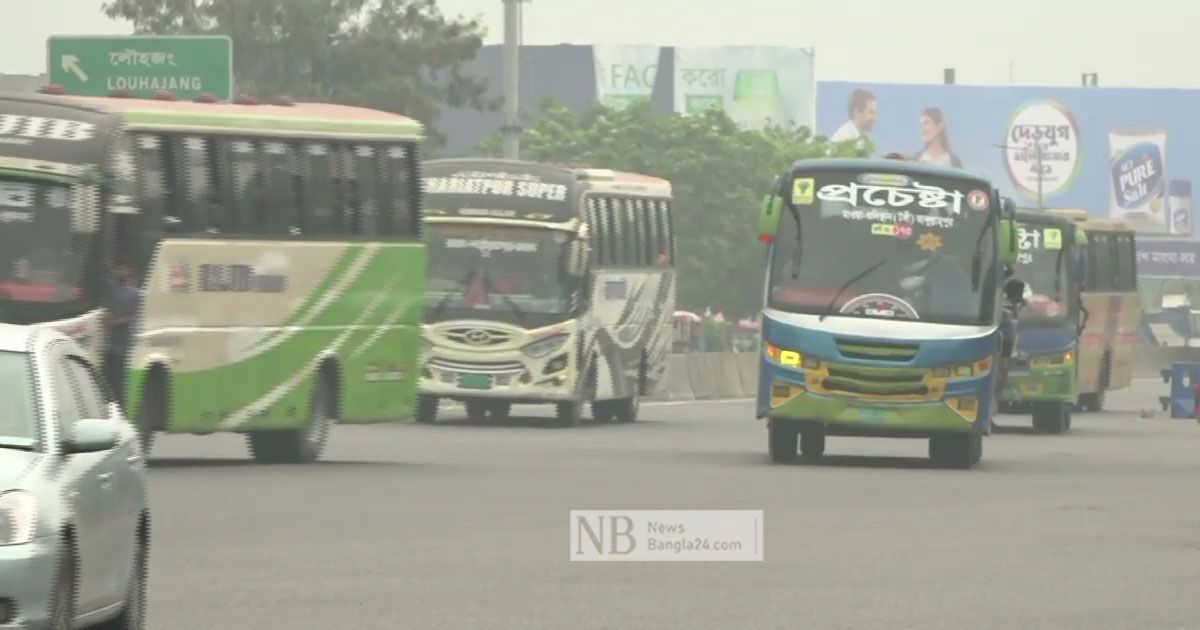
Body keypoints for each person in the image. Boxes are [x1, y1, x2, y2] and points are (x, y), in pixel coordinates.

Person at [104, 263, 141, 404]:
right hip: (122, 346)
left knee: (112, 382)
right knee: (118, 383)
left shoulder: (117, 291)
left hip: (113, 345)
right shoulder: (133, 294)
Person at [828, 89, 877, 154]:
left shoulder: (862, 139)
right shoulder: (843, 139)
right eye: (871, 112)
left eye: (875, 113)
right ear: (857, 112)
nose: (875, 118)